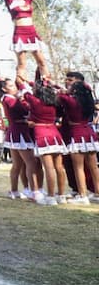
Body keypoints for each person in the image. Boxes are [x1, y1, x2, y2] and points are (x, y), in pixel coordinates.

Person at [21, 76, 66, 205]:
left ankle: (51, 197)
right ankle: (61, 195)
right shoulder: (54, 102)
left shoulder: (34, 101)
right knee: (59, 167)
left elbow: (23, 88)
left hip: (42, 134)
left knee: (49, 168)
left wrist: (23, 79)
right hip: (55, 133)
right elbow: (60, 90)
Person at [56, 74, 99, 204]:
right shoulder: (88, 101)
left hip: (76, 133)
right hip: (89, 133)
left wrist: (63, 90)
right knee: (94, 167)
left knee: (78, 167)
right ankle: (97, 192)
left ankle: (82, 195)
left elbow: (58, 95)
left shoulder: (68, 100)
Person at [0, 77, 40, 200]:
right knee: (31, 162)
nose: (14, 88)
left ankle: (14, 190)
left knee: (18, 165)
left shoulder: (10, 98)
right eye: (10, 86)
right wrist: (24, 97)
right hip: (19, 131)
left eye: (14, 85)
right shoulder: (8, 98)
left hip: (18, 130)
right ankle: (34, 191)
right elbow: (22, 109)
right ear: (4, 89)